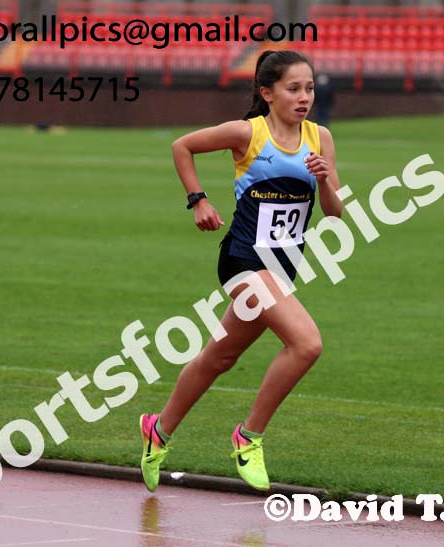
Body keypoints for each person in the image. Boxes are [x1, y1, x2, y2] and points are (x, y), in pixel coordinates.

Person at [139, 50, 343, 493]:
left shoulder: (320, 137)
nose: (304, 97)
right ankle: (248, 437)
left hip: (282, 268)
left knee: (220, 358)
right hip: (244, 260)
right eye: (293, 89)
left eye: (308, 88)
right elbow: (183, 146)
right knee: (306, 344)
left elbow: (335, 212)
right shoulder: (247, 133)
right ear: (266, 93)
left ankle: (159, 428)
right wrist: (199, 200)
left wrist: (326, 179)